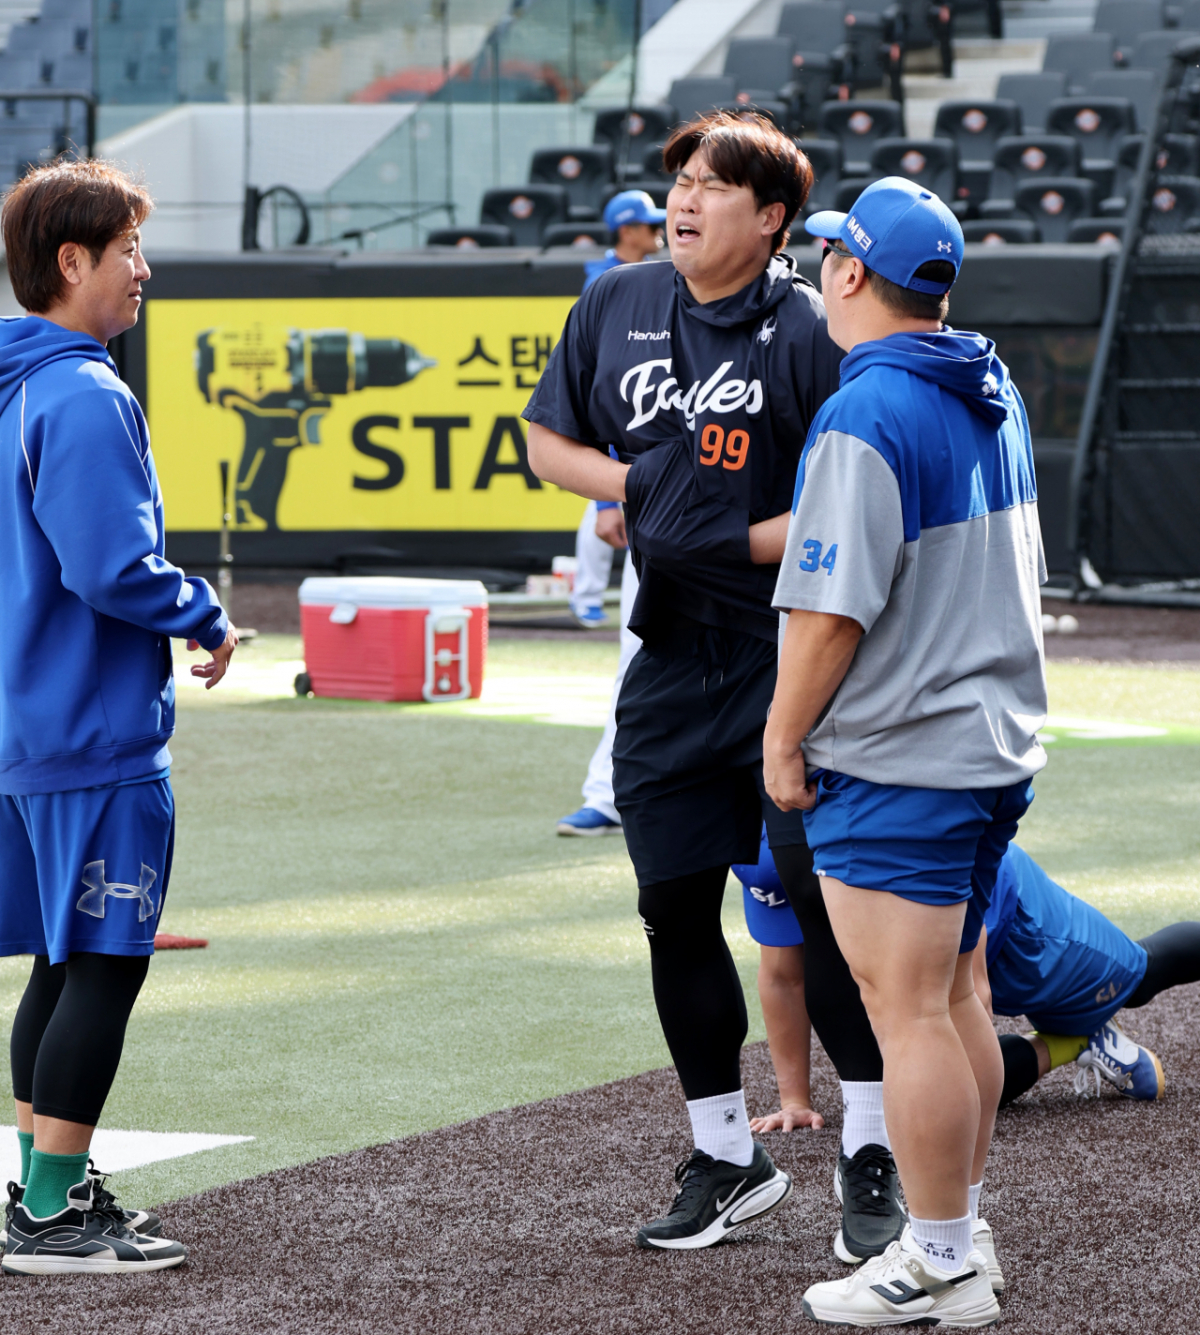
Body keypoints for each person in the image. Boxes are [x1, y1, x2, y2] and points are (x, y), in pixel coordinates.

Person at [524, 110, 843, 1250]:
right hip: (667, 653)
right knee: (671, 906)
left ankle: (873, 1157)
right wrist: (645, 486)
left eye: (714, 186)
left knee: (826, 912)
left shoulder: (810, 329)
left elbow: (855, 500)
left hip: (792, 652)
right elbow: (546, 443)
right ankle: (726, 1155)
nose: (685, 201)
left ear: (773, 218)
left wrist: (723, 534)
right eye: (680, 182)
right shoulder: (614, 300)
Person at [764, 177, 1047, 1326]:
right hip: (987, 746)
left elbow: (831, 611)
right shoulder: (990, 380)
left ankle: (938, 1264)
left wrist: (782, 738)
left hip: (901, 754)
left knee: (911, 1014)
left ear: (848, 271)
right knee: (956, 995)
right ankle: (958, 1237)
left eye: (831, 254)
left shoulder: (866, 408)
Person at [0, 160, 235, 1275]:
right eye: (129, 249)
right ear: (71, 261)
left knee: (61, 961)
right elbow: (110, 566)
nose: (144, 269)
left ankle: (48, 1185)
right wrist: (204, 611)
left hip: (26, 729)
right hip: (92, 734)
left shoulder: (16, 387)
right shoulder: (85, 394)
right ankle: (50, 1215)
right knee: (100, 962)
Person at [736, 839, 1198, 1291]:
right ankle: (1070, 1040)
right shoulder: (769, 855)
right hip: (917, 939)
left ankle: (1079, 1028)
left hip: (1026, 934)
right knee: (923, 1055)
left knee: (1139, 976)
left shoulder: (899, 831)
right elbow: (783, 975)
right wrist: (794, 1099)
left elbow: (972, 995)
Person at [556, 511, 640, 835]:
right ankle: (608, 796)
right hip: (661, 527)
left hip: (749, 525)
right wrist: (605, 504)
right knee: (639, 660)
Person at [580, 188, 667, 295]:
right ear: (627, 233)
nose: (660, 232)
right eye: (653, 226)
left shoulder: (658, 272)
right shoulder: (603, 283)